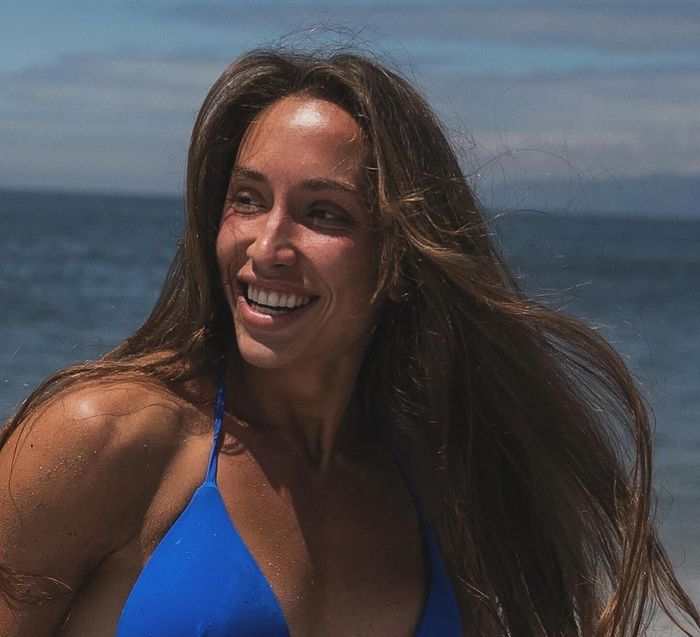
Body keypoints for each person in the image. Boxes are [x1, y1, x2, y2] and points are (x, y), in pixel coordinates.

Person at [0, 45, 698, 637]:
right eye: (247, 199)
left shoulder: (443, 484)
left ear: (400, 261)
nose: (267, 246)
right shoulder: (105, 439)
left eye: (324, 213)